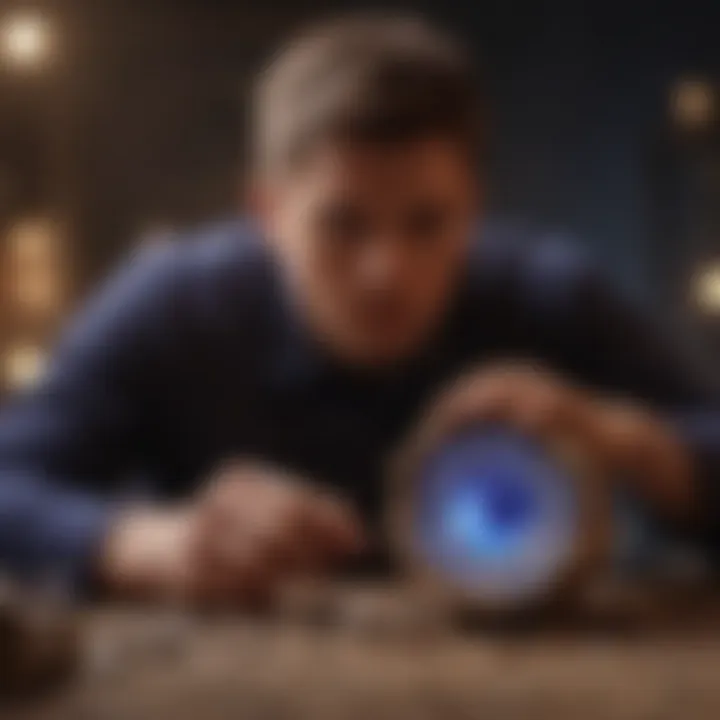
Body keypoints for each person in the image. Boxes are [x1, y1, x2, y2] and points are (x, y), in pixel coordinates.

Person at [0, 13, 717, 608]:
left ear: (475, 204)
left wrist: (632, 440)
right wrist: (145, 542)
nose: (386, 272)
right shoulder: (172, 304)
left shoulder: (549, 293)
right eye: (343, 225)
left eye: (429, 222)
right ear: (268, 212)